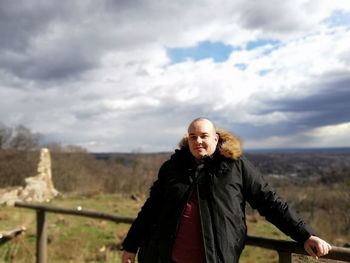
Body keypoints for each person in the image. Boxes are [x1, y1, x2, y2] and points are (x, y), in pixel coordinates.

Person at [121, 117, 331, 263]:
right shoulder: (172, 168)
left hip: (217, 258)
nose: (198, 141)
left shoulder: (235, 166)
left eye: (204, 135)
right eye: (193, 137)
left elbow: (269, 201)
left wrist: (305, 235)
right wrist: (131, 245)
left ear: (215, 138)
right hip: (168, 258)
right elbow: (151, 209)